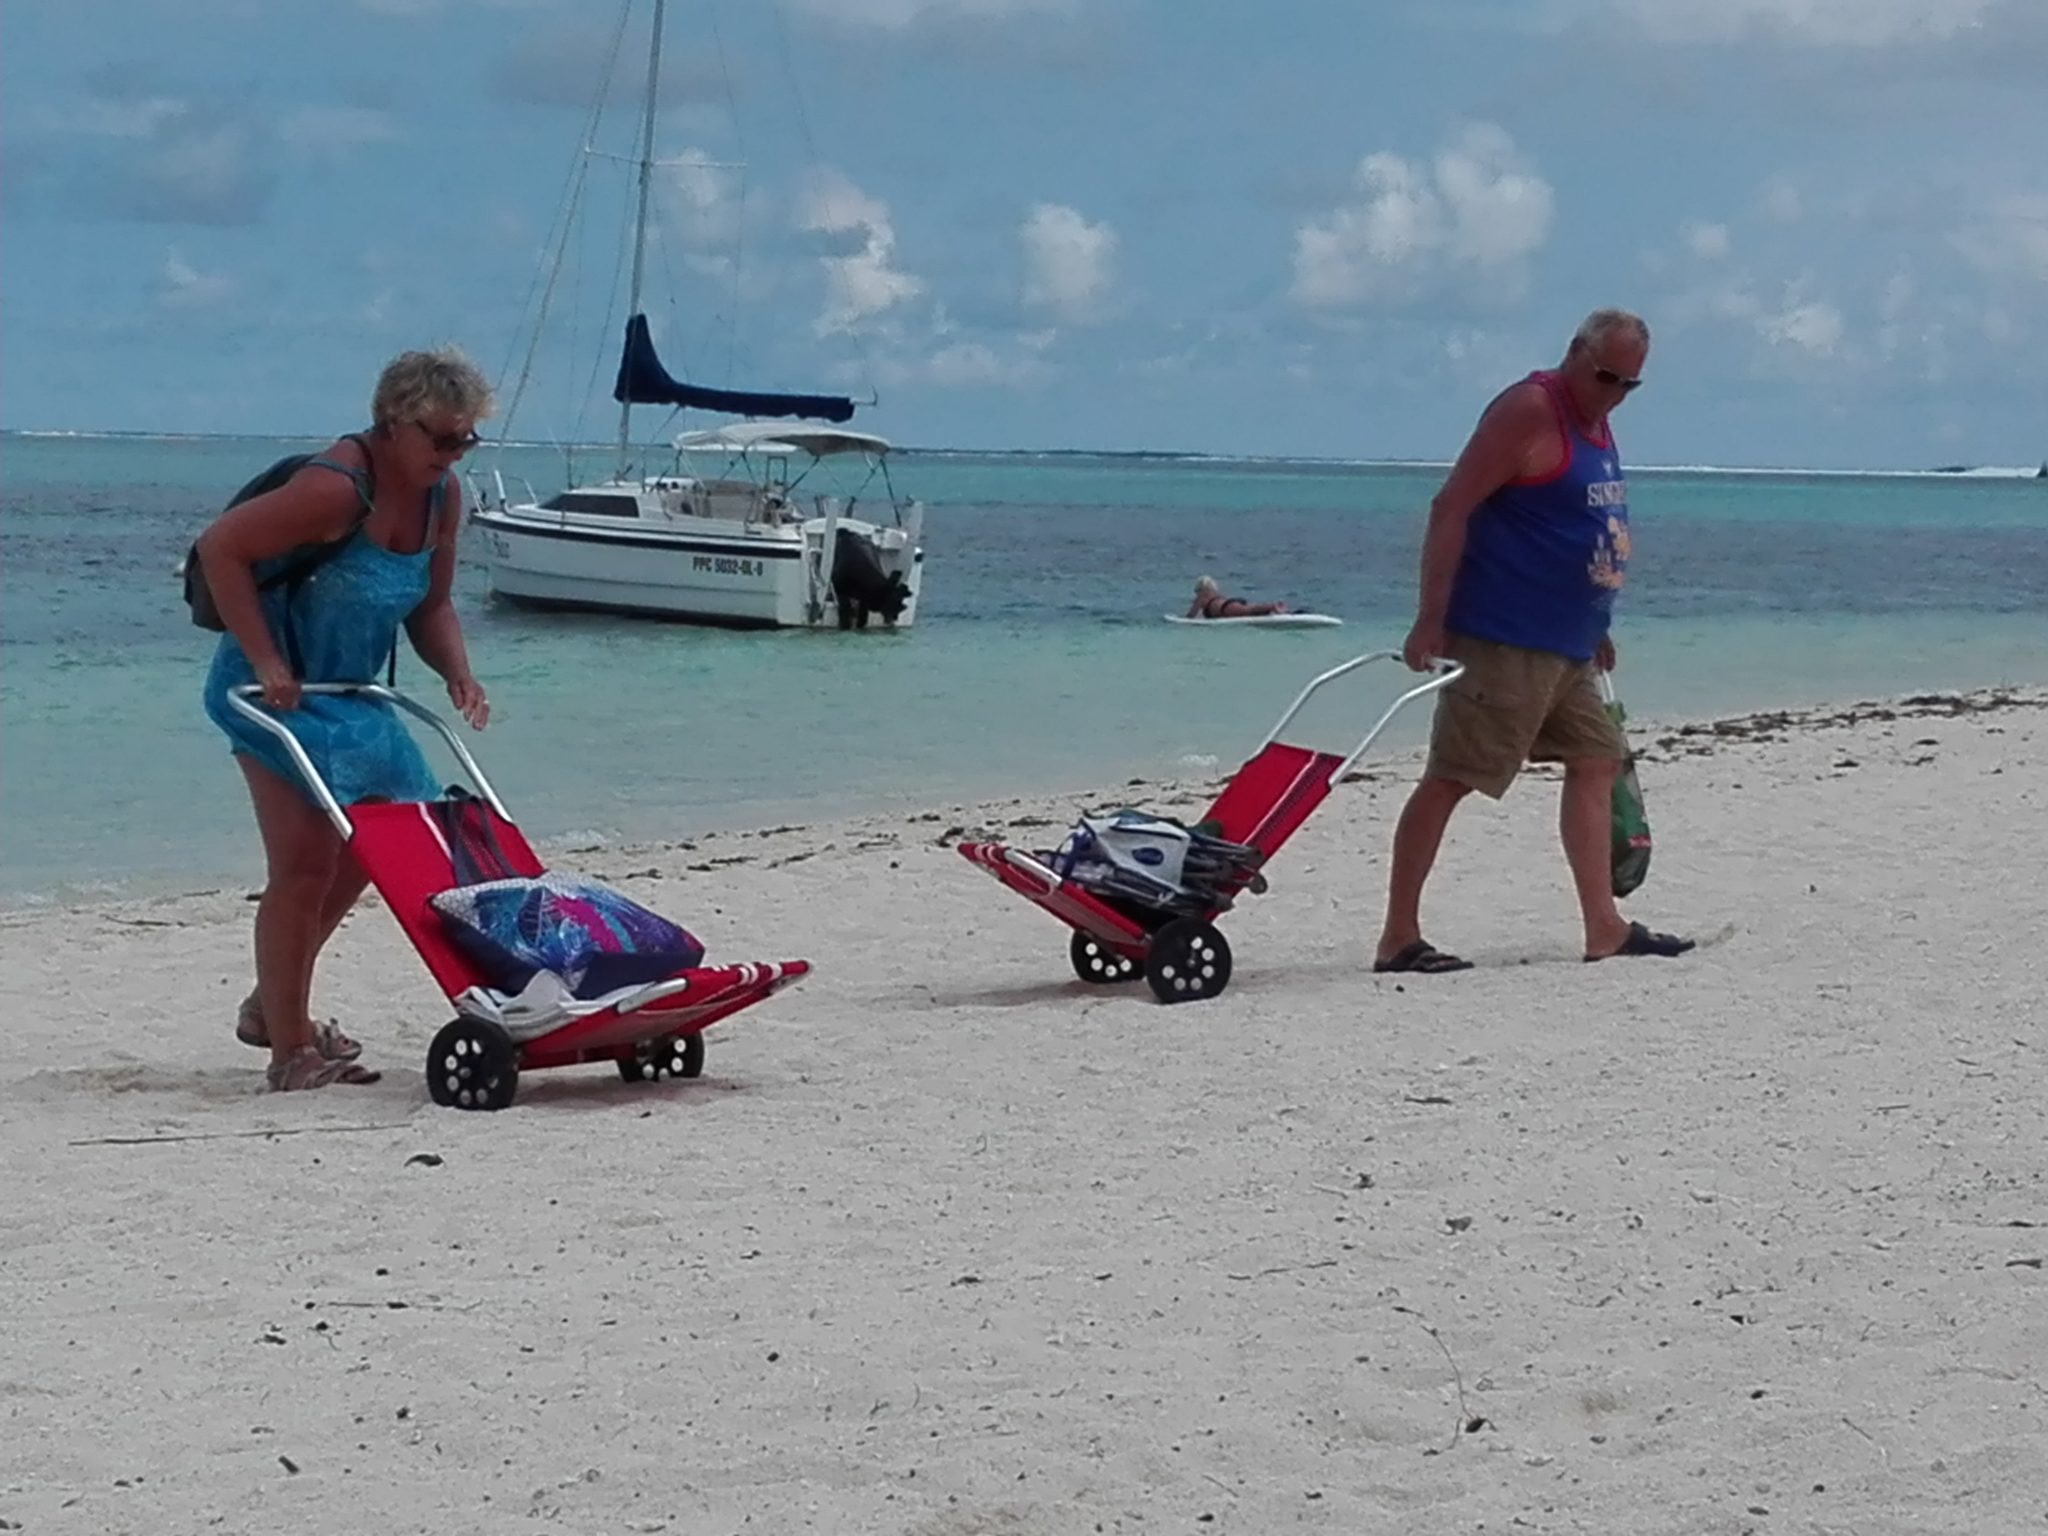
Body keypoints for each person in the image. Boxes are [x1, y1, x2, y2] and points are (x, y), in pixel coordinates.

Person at [197, 346, 496, 1089]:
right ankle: (289, 1052)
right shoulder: (333, 489)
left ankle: (272, 1006)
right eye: (441, 437)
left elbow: (430, 603)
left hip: (351, 695)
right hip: (271, 694)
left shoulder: (442, 496)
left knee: (383, 845)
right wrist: (266, 659)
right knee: (304, 866)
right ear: (393, 422)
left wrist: (458, 673)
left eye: (465, 439)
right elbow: (221, 548)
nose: (452, 453)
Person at [1372, 308, 1694, 973]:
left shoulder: (1596, 419)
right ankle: (1398, 936)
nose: (1614, 394)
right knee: (1453, 777)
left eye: (1629, 385)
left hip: (1570, 642)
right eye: (1606, 377)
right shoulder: (1528, 409)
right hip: (1504, 637)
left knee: (1598, 759)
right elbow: (1451, 506)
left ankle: (1604, 928)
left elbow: (1580, 523)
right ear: (1575, 353)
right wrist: (1430, 617)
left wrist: (1598, 623)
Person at [1187, 575, 1291, 618]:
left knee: (1248, 611)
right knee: (1249, 609)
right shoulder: (1214, 595)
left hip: (1225, 608)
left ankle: (1273, 606)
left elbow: (1191, 616)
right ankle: (1274, 609)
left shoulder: (1202, 597)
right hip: (1228, 604)